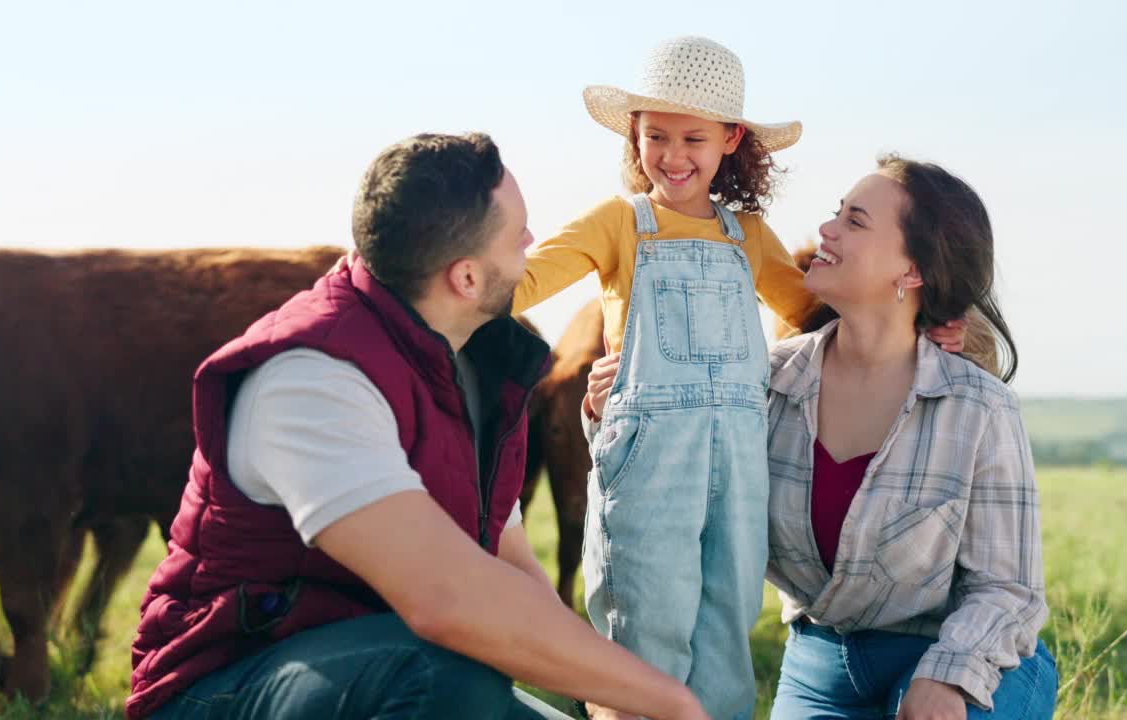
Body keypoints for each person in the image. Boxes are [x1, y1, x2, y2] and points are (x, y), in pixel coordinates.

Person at [125, 133, 710, 720]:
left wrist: (612, 703)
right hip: (225, 687)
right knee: (445, 679)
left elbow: (510, 570)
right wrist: (676, 705)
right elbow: (446, 600)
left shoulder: (477, 366)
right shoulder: (313, 378)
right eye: (517, 235)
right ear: (467, 279)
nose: (533, 243)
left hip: (385, 670)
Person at [510, 36, 964, 719]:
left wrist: (922, 321)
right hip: (648, 463)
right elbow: (521, 284)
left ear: (731, 139)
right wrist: (442, 264)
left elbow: (816, 313)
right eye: (654, 134)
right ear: (633, 136)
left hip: (739, 465)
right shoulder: (617, 223)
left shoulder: (746, 235)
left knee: (726, 622)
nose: (671, 154)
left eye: (693, 137)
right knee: (645, 626)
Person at [586, 156, 1056, 719]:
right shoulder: (757, 384)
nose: (827, 230)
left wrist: (948, 679)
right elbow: (669, 499)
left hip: (959, 654)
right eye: (838, 214)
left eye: (855, 222)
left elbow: (1009, 590)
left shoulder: (979, 408)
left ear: (912, 272)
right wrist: (622, 411)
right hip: (821, 667)